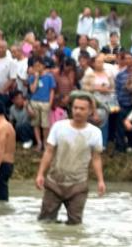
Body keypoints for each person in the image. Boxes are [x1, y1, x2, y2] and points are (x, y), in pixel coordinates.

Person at [34, 91, 106, 225]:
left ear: (90, 111)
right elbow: (49, 151)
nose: (78, 111)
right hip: (54, 182)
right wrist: (40, 174)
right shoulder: (59, 127)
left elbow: (96, 158)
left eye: (82, 109)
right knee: (45, 222)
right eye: (75, 108)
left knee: (75, 224)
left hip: (78, 185)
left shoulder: (95, 133)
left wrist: (100, 181)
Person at [0, 101, 13, 201]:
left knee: (1, 196)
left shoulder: (2, 127)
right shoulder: (8, 125)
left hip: (2, 164)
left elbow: (0, 148)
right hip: (7, 164)